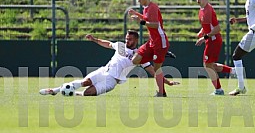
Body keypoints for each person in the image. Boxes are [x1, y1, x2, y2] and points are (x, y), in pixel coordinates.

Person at [39, 30, 178, 96]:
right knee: (84, 81)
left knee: (87, 93)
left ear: (136, 40)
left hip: (112, 80)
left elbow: (153, 71)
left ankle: (70, 93)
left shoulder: (140, 55)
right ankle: (55, 90)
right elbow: (107, 44)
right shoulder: (120, 46)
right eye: (126, 38)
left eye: (129, 39)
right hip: (104, 70)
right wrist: (94, 39)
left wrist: (167, 82)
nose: (127, 41)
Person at [128, 0, 170, 97]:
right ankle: (161, 54)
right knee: (135, 60)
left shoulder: (153, 7)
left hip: (160, 42)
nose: (138, 0)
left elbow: (155, 24)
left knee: (156, 69)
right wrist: (137, 14)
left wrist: (140, 22)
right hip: (152, 41)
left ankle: (162, 93)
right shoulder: (146, 8)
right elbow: (147, 19)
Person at [195, 0, 236, 96]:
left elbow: (217, 29)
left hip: (213, 40)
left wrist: (204, 38)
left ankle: (219, 90)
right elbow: (207, 26)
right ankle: (233, 71)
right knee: (211, 65)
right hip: (211, 40)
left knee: (207, 65)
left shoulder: (209, 10)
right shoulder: (201, 10)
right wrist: (201, 32)